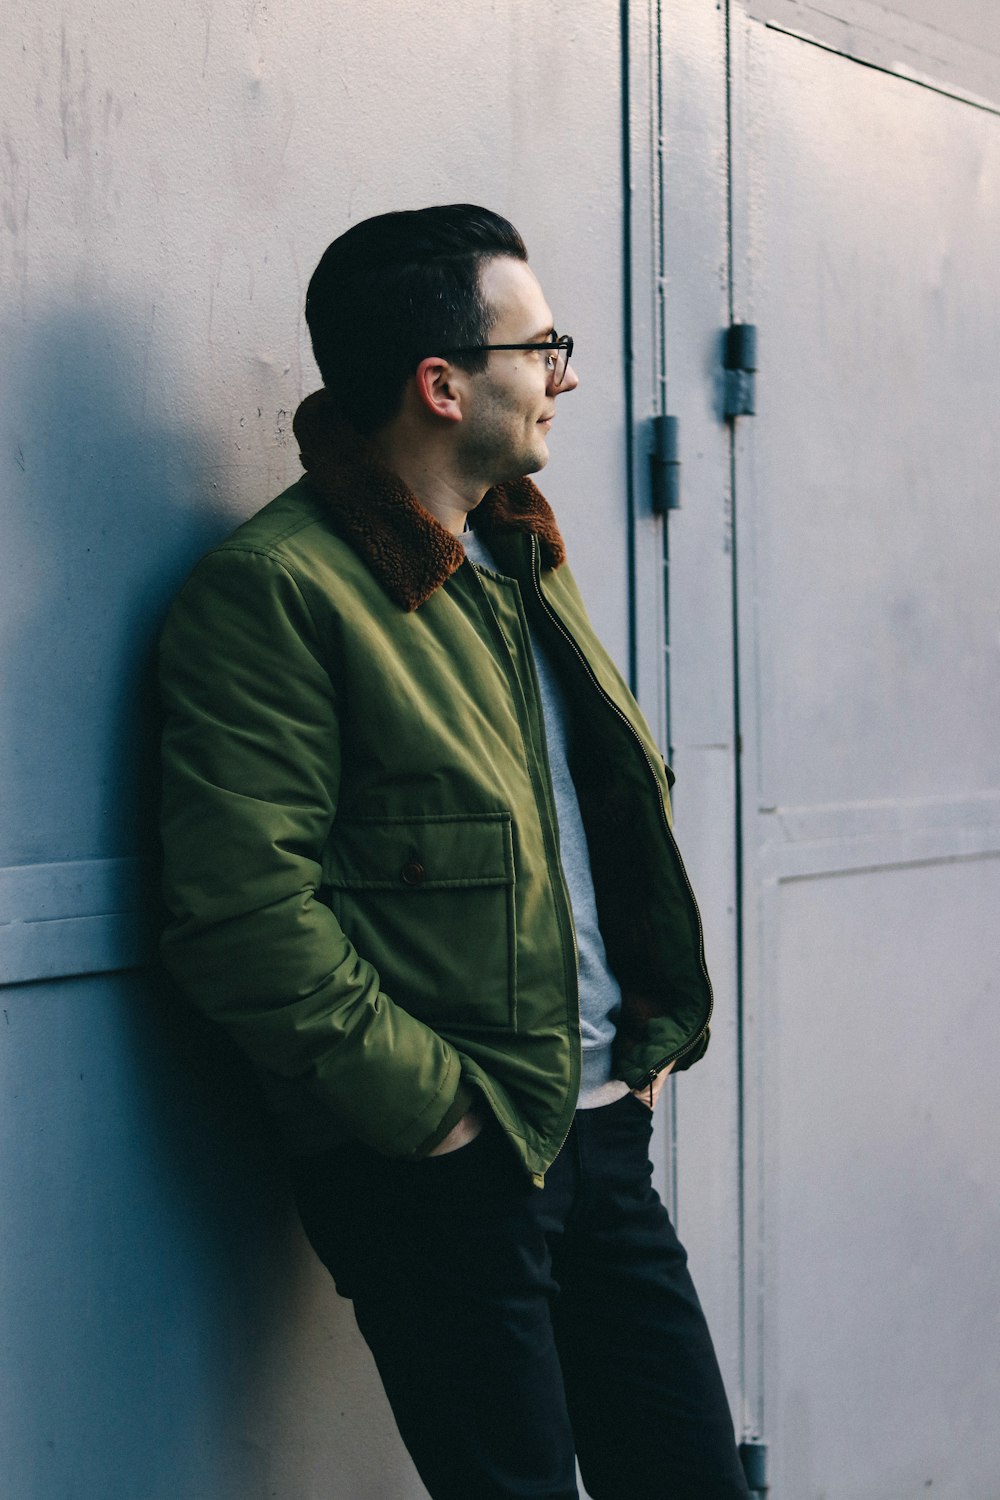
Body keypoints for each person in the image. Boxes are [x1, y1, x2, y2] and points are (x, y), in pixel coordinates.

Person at [158, 204, 750, 1500]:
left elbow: (582, 825)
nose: (567, 375)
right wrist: (439, 1115)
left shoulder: (518, 556)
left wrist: (634, 1053)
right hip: (453, 1172)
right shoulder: (281, 590)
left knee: (696, 1478)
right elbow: (244, 911)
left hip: (595, 1133)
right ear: (442, 383)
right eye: (543, 346)